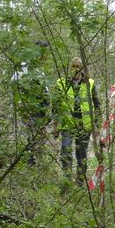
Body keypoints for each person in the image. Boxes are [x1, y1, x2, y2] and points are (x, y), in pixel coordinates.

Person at [52, 56, 100, 185]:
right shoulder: (61, 83)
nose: (76, 69)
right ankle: (67, 180)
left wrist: (97, 125)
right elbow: (55, 106)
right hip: (67, 124)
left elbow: (97, 105)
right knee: (66, 151)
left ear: (83, 68)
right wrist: (55, 127)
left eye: (78, 67)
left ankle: (80, 181)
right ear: (70, 68)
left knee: (81, 153)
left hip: (85, 125)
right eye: (73, 66)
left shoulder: (90, 83)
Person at [12, 43, 50, 164]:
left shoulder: (40, 69)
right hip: (30, 110)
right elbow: (14, 83)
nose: (45, 57)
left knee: (39, 138)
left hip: (41, 111)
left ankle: (39, 165)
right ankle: (31, 164)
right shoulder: (25, 68)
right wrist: (21, 103)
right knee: (31, 137)